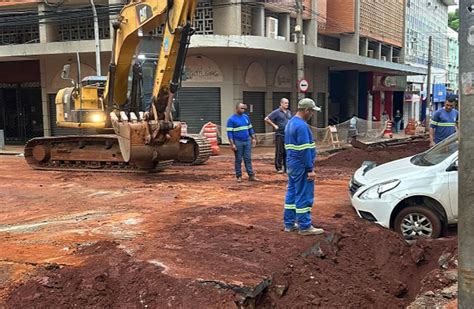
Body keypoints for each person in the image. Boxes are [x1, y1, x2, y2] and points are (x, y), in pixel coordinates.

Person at [283, 98, 324, 236]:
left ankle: (289, 223)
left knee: (292, 193)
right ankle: (305, 226)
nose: (312, 114)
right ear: (306, 110)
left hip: (292, 164)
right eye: (312, 111)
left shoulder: (290, 123)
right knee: (303, 195)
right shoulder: (301, 126)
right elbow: (305, 149)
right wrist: (309, 169)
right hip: (301, 165)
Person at [227, 102, 258, 183]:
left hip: (247, 141)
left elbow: (250, 128)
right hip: (238, 142)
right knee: (238, 159)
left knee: (248, 158)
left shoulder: (246, 117)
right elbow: (229, 133)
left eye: (244, 108)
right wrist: (232, 144)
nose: (243, 110)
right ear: (237, 109)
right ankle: (239, 176)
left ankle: (251, 175)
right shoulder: (231, 119)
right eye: (241, 108)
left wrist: (253, 138)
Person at [264, 98, 292, 173]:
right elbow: (266, 119)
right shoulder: (276, 112)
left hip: (287, 135)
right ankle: (278, 167)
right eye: (285, 103)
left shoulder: (289, 112)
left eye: (287, 103)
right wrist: (274, 125)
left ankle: (286, 168)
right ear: (281, 103)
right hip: (280, 134)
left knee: (287, 151)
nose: (287, 104)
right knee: (280, 151)